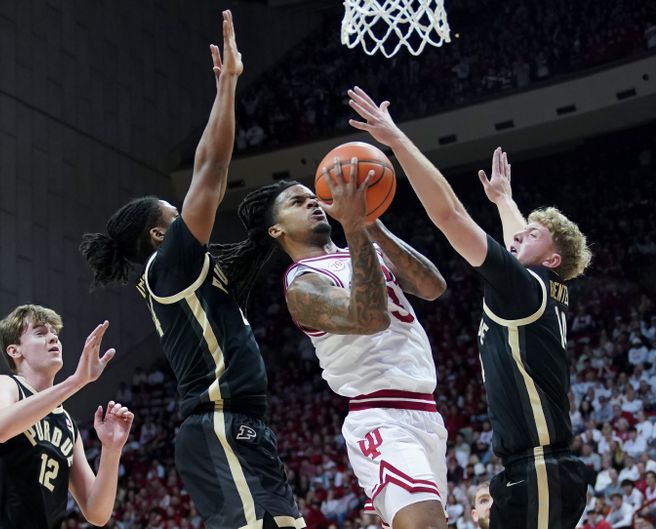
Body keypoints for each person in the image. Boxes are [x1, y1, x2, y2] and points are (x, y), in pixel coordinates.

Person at [79, 11, 303, 529]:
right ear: (161, 235)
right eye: (176, 218)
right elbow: (212, 169)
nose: (188, 219)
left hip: (241, 425)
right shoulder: (170, 264)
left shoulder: (176, 269)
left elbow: (205, 162)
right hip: (219, 424)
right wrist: (227, 87)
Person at [347, 86, 592, 529]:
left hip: (539, 468)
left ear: (552, 259)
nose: (517, 237)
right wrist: (504, 201)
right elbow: (520, 239)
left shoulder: (524, 286)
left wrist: (397, 141)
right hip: (537, 470)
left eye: (533, 235)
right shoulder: (546, 287)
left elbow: (450, 215)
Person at [232, 152, 448, 528]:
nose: (313, 202)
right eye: (297, 202)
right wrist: (353, 227)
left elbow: (433, 287)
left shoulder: (368, 249)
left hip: (428, 413)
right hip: (380, 417)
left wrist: (370, 223)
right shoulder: (302, 283)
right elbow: (370, 317)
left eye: (312, 197)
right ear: (276, 230)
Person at [0, 304, 134, 529]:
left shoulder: (67, 424)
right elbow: (1, 428)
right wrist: (76, 381)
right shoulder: (2, 385)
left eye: (55, 333)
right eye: (40, 332)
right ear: (14, 351)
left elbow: (97, 512)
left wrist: (111, 449)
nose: (53, 338)